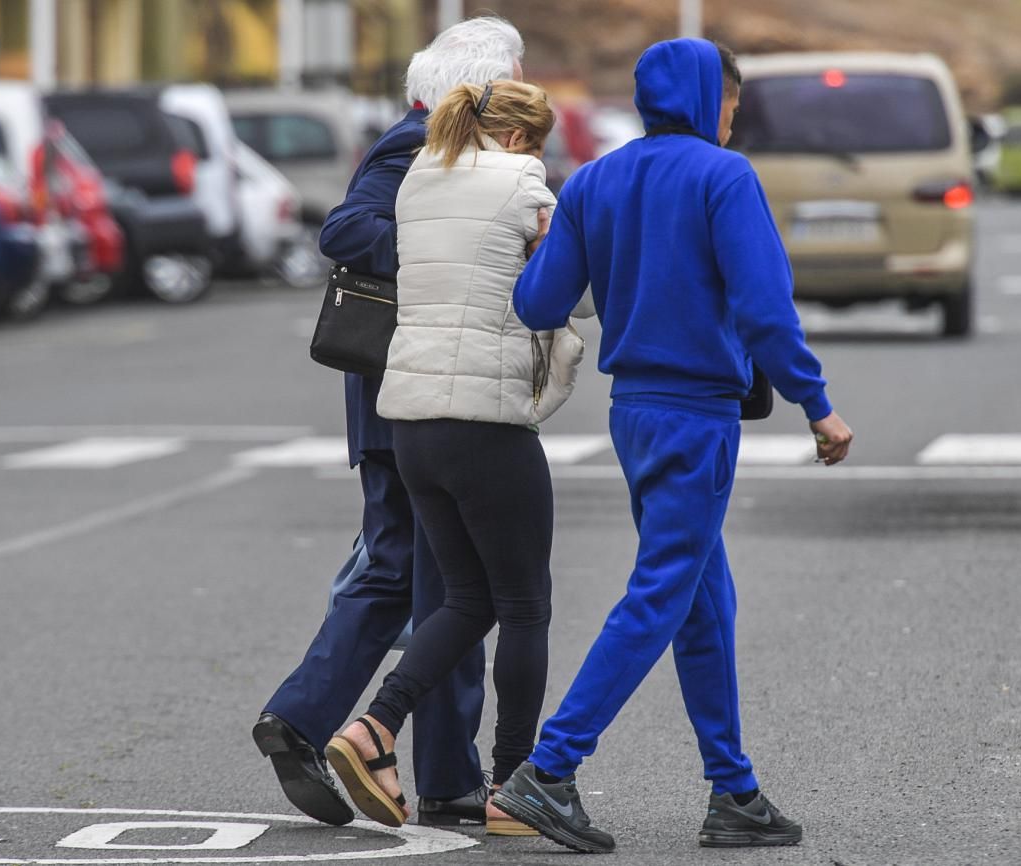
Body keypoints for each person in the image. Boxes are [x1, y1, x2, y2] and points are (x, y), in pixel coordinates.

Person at [493, 39, 854, 853]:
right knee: (663, 590)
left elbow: (541, 302)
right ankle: (547, 771)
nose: (732, 117)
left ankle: (734, 793)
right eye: (730, 101)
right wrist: (818, 406)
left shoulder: (593, 181)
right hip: (698, 415)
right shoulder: (725, 177)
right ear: (704, 98)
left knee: (701, 594)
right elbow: (765, 309)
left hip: (635, 414)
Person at [252, 16, 526, 830]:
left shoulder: (432, 141)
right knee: (444, 580)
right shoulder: (416, 146)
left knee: (416, 574)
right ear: (478, 88)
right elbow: (345, 230)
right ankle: (425, 769)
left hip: (404, 394)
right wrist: (446, 242)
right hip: (405, 393)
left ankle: (347, 738)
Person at [325, 78, 584, 837]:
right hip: (488, 423)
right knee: (525, 606)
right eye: (534, 143)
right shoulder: (522, 184)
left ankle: (372, 727)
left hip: (413, 425)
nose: (536, 156)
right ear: (514, 140)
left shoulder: (418, 180)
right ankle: (513, 786)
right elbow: (574, 295)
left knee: (463, 601)